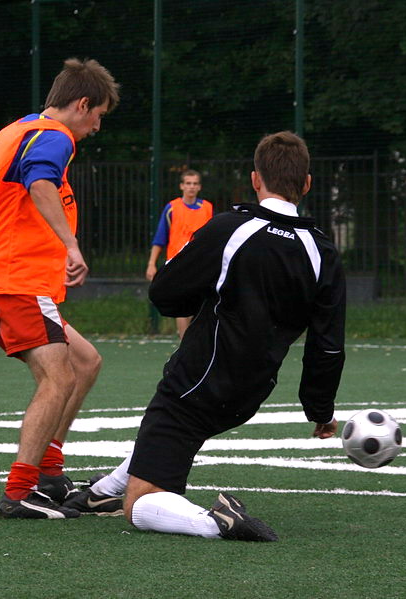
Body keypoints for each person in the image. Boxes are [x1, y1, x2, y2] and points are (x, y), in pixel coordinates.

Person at [65, 131, 346, 541]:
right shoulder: (323, 252)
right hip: (251, 391)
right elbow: (328, 345)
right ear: (306, 185)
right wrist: (319, 411)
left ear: (255, 179)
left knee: (140, 505)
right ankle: (102, 490)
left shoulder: (232, 228)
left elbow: (164, 294)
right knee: (169, 436)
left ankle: (214, 522)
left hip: (197, 379)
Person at [0, 58, 119, 520]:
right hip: (16, 280)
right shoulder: (54, 137)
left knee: (85, 361)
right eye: (98, 115)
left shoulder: (15, 132)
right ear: (82, 104)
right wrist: (71, 245)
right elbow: (40, 178)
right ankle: (20, 491)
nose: (96, 127)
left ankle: (48, 473)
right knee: (59, 377)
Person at [145, 170, 213, 337]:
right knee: (183, 302)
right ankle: (183, 341)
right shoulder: (172, 208)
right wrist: (151, 264)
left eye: (195, 183)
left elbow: (214, 236)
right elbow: (160, 239)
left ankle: (197, 340)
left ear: (199, 187)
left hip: (202, 263)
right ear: (182, 186)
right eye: (188, 183)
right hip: (179, 263)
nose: (191, 187)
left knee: (202, 303)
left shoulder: (207, 208)